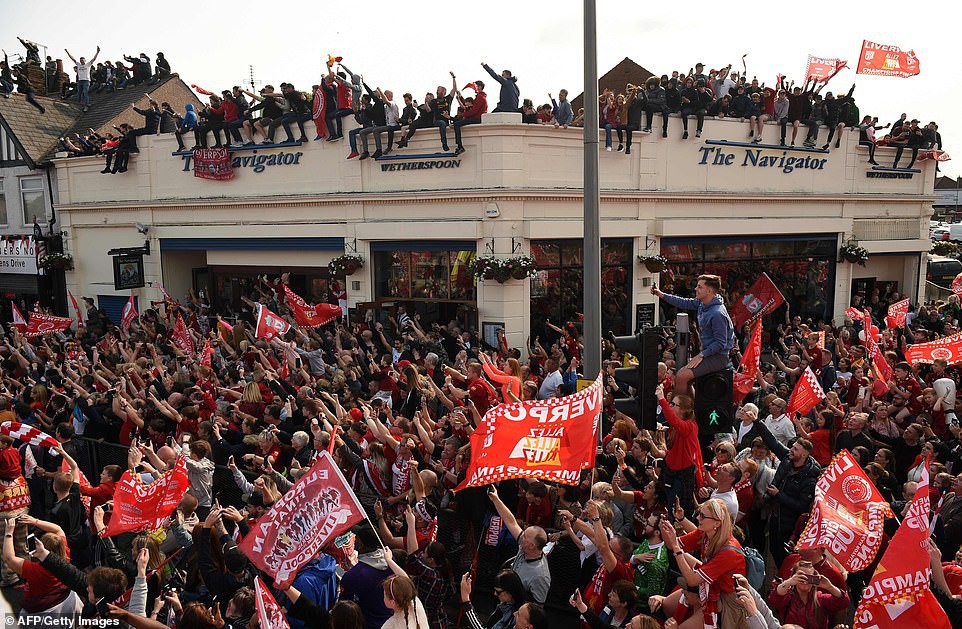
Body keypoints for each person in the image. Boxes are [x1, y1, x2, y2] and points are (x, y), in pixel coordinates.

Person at [655, 498, 746, 629]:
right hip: (707, 585)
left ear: (717, 523)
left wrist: (676, 547)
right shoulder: (705, 533)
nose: (698, 518)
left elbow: (692, 580)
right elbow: (671, 544)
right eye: (699, 513)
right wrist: (664, 526)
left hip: (726, 598)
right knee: (667, 606)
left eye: (702, 516)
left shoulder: (729, 552)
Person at [652, 275, 735, 394]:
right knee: (686, 379)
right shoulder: (703, 303)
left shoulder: (717, 314)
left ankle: (678, 409)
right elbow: (684, 302)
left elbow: (721, 343)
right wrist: (661, 294)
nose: (696, 289)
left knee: (681, 376)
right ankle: (688, 408)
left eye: (700, 287)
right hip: (708, 353)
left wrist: (701, 355)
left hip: (719, 357)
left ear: (709, 291)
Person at [487, 485, 551, 604]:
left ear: (532, 545)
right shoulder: (525, 547)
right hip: (505, 605)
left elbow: (537, 607)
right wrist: (496, 499)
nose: (521, 536)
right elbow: (510, 521)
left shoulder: (540, 576)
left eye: (525, 536)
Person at [767, 560, 849, 628]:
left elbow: (844, 602)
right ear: (793, 577)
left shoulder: (820, 599)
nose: (805, 580)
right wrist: (788, 582)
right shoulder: (788, 597)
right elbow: (773, 599)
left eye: (809, 577)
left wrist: (830, 586)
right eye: (801, 576)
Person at [461, 569, 525, 629]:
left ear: (510, 591)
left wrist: (466, 599)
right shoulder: (505, 606)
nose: (495, 594)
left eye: (498, 592)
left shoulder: (518, 616)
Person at [452, 78, 487, 156]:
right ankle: (459, 146)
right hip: (477, 118)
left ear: (480, 87)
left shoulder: (480, 97)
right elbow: (468, 106)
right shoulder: (480, 97)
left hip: (476, 118)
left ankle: (460, 146)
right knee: (457, 123)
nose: (474, 88)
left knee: (457, 124)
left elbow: (473, 110)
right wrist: (460, 97)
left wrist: (462, 115)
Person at [64, 45, 99, 112]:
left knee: (85, 92)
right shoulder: (78, 65)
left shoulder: (88, 65)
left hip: (86, 81)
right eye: (81, 61)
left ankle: (86, 105)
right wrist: (67, 52)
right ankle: (79, 104)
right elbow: (72, 59)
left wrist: (97, 52)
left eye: (83, 60)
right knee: (79, 93)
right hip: (80, 81)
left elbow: (93, 59)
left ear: (85, 61)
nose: (82, 62)